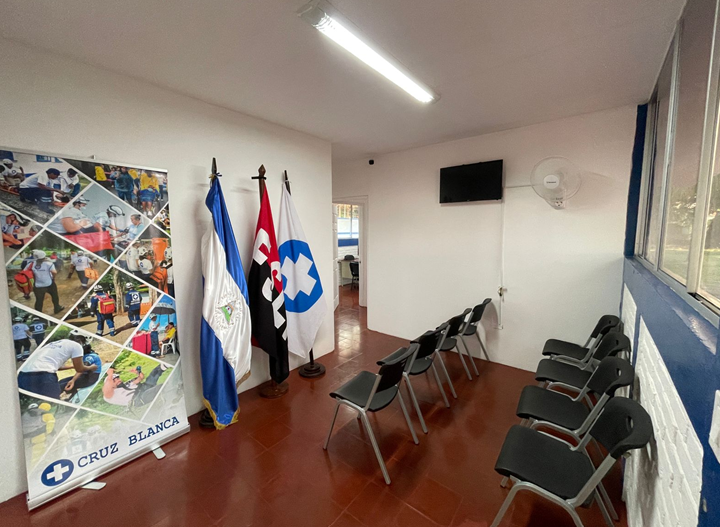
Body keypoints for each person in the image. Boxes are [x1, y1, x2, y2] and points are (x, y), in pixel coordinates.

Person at [17, 331, 97, 399]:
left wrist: (72, 366)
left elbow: (57, 366)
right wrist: (91, 367)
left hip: (23, 375)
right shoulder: (77, 346)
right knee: (52, 403)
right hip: (43, 376)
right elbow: (80, 369)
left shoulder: (55, 343)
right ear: (82, 340)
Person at [101, 363, 167, 408]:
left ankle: (165, 366)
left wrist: (138, 372)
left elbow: (141, 377)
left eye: (117, 378)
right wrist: (110, 375)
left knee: (155, 371)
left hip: (145, 387)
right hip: (140, 398)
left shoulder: (126, 384)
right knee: (161, 387)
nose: (118, 380)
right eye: (114, 381)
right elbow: (107, 389)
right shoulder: (111, 395)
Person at [28, 250, 64, 314]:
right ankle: (57, 308)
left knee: (39, 300)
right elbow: (54, 272)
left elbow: (25, 272)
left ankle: (38, 314)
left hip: (38, 285)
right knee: (54, 296)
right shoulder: (49, 263)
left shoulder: (31, 264)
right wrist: (53, 278)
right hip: (49, 283)